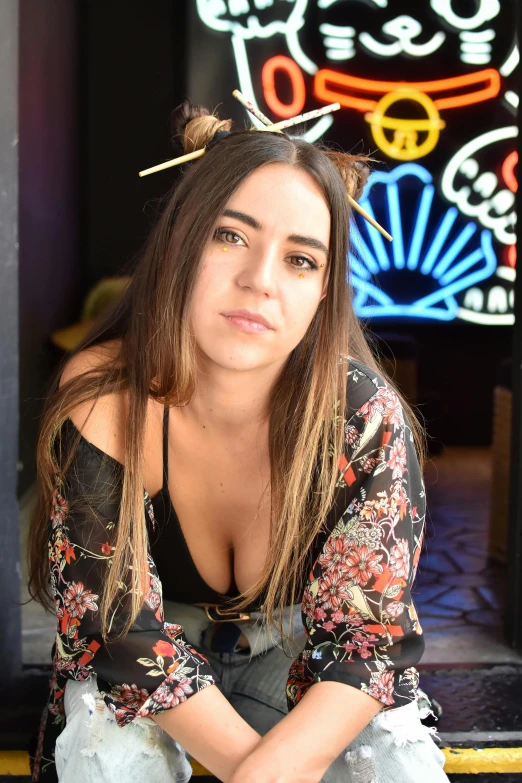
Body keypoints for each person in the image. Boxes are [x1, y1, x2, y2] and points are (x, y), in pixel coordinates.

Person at [28, 100, 449, 783]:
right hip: (142, 671)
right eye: (230, 237)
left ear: (322, 292)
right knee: (111, 757)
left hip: (299, 654)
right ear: (180, 243)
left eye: (301, 259)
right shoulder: (107, 392)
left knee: (396, 755)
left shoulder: (361, 417)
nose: (260, 280)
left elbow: (365, 642)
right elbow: (118, 630)